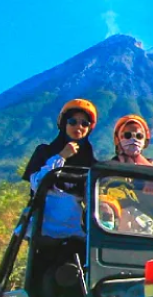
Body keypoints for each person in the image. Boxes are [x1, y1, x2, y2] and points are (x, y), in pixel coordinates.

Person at [22, 98, 98, 239]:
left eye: (84, 123)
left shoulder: (92, 163)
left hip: (74, 232)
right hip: (42, 229)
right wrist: (61, 156)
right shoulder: (44, 152)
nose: (79, 127)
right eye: (73, 122)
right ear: (64, 124)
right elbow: (37, 184)